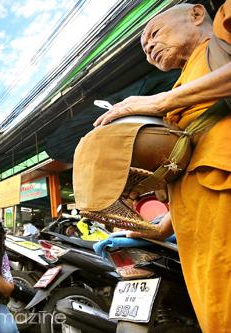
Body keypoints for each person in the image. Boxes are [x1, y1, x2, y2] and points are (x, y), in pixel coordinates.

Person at [93, 3, 231, 331]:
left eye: (154, 34)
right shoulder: (183, 83)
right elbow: (195, 163)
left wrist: (156, 102)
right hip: (192, 219)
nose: (149, 48)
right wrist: (160, 227)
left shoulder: (223, 26)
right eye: (144, 48)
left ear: (197, 14)